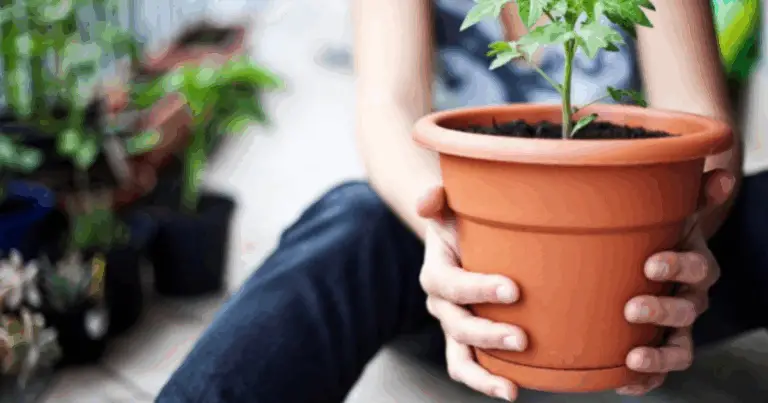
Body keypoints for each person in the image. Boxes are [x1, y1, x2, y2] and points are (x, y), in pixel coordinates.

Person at [155, 1, 758, 402]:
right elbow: (388, 105)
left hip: (646, 274)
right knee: (354, 220)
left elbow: (703, 131)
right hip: (470, 283)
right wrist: (451, 236)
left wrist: (684, 232)